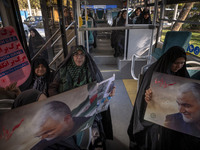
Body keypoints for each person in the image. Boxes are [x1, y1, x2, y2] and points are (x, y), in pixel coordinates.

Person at [127, 46, 200, 150]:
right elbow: (143, 98)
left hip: (176, 111)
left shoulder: (182, 73)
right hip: (154, 113)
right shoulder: (154, 72)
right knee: (162, 130)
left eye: (182, 63)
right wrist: (148, 97)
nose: (178, 66)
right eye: (175, 62)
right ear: (169, 61)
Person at [49, 45, 114, 149]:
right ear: (71, 57)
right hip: (66, 108)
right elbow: (52, 88)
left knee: (95, 134)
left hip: (87, 108)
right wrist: (60, 102)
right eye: (76, 55)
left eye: (82, 55)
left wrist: (108, 91)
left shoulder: (91, 70)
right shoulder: (63, 71)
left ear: (85, 57)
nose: (79, 58)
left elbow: (100, 88)